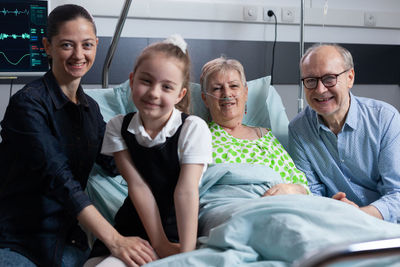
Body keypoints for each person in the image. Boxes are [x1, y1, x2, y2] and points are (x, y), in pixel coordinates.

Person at [0, 4, 157, 267]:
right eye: (66, 45)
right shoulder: (27, 104)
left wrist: (163, 143)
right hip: (18, 241)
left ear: (96, 45)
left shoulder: (90, 110)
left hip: (68, 242)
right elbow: (58, 178)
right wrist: (115, 240)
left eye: (86, 45)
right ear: (47, 46)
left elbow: (113, 160)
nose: (78, 55)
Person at [85, 35, 212, 266]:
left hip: (179, 231)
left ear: (180, 94)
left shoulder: (193, 128)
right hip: (131, 229)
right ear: (132, 81)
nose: (154, 93)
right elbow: (138, 186)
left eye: (166, 87)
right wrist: (158, 243)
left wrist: (186, 253)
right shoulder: (117, 127)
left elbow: (186, 192)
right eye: (146, 81)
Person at [289, 43, 400, 223]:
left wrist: (357, 214)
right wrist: (330, 208)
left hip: (384, 224)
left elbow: (397, 193)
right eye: (310, 80)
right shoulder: (299, 129)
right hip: (332, 222)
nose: (320, 89)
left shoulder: (385, 119)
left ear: (350, 77)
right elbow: (311, 192)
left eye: (329, 78)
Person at [200, 57, 309, 196]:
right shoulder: (199, 137)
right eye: (217, 88)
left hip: (281, 204)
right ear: (205, 99)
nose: (227, 93)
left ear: (245, 93)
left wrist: (292, 189)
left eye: (233, 86)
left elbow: (301, 185)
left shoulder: (265, 136)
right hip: (232, 204)